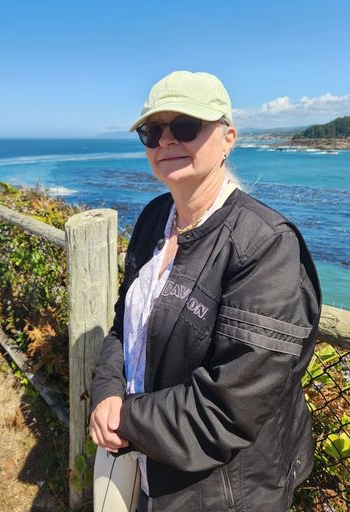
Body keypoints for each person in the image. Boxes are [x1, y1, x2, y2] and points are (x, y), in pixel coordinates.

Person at [89, 70, 321, 512]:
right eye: (152, 131)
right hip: (145, 462)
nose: (166, 140)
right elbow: (124, 325)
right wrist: (107, 391)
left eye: (186, 126)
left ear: (228, 137)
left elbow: (229, 407)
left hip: (221, 492)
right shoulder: (154, 218)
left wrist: (124, 417)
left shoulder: (265, 245)